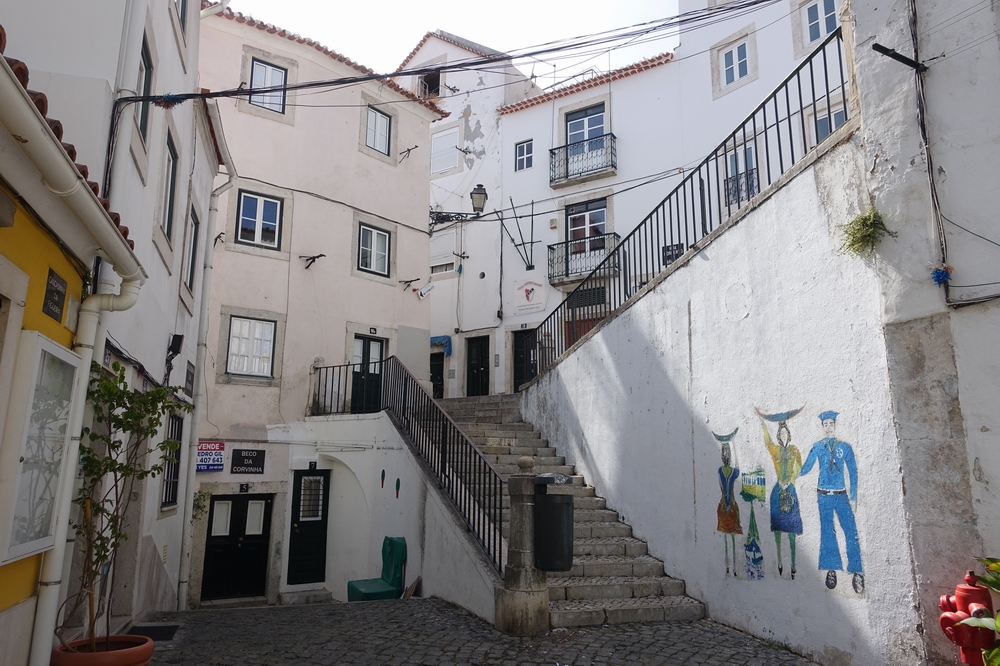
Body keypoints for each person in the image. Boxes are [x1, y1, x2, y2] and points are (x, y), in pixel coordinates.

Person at [800, 411, 864, 593]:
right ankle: (831, 569)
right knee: (827, 531)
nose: (828, 427)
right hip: (823, 495)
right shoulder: (818, 447)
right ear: (822, 427)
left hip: (841, 494)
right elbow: (806, 467)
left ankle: (857, 571)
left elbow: (853, 472)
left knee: (851, 530)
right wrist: (791, 470)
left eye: (831, 424)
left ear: (835, 425)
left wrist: (854, 496)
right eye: (825, 424)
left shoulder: (845, 447)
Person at [762, 419, 802, 578]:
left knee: (792, 530)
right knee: (777, 529)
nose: (784, 435)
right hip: (777, 491)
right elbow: (767, 442)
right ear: (779, 436)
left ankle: (793, 565)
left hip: (789, 490)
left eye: (786, 433)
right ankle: (779, 561)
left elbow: (799, 467)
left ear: (789, 435)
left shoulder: (794, 450)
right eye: (781, 433)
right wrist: (762, 423)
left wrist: (791, 482)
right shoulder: (776, 451)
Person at [716, 437, 742, 577]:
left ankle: (728, 567)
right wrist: (735, 448)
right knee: (731, 537)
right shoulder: (732, 472)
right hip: (731, 504)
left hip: (723, 505)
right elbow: (738, 469)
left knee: (727, 538)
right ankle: (734, 568)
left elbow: (722, 487)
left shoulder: (720, 471)